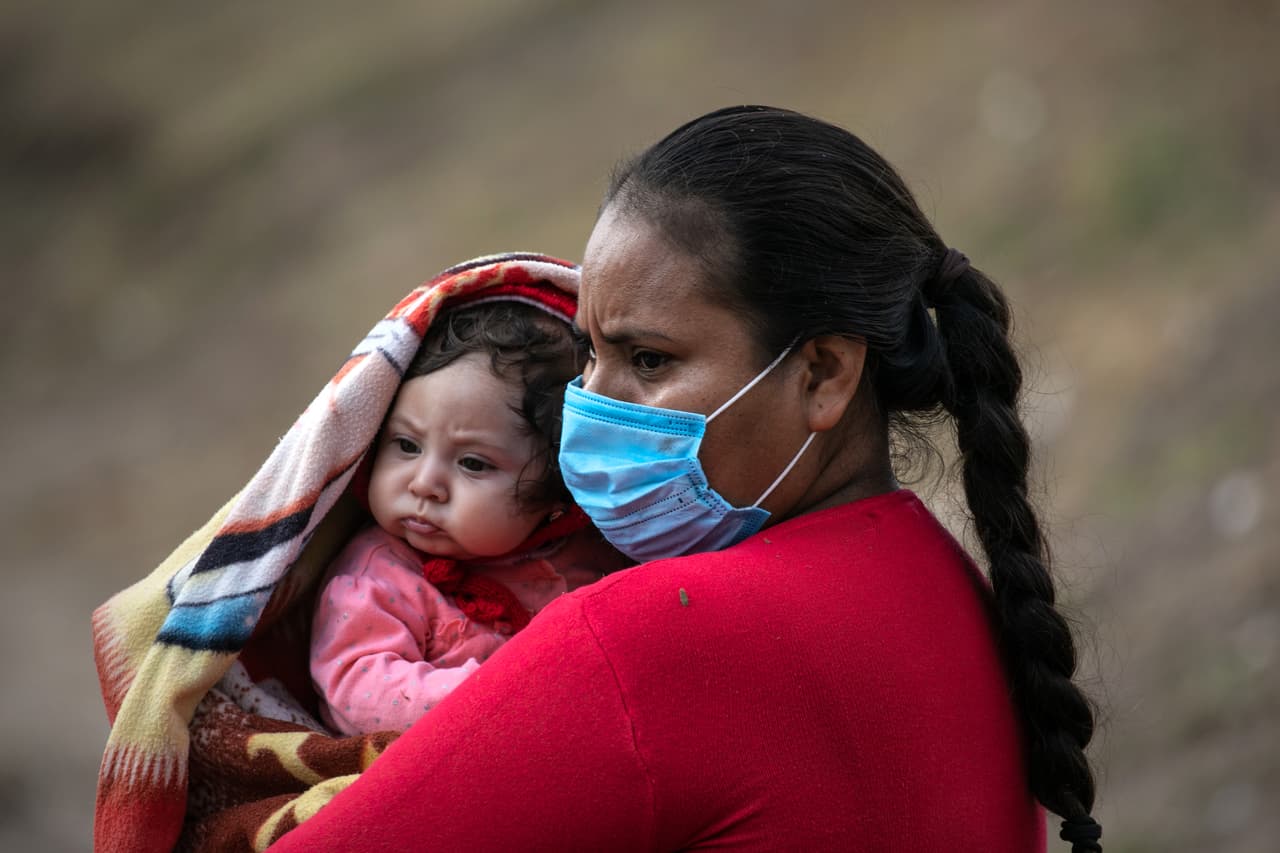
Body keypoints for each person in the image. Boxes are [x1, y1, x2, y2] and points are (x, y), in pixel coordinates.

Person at [269, 105, 1103, 852]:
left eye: (649, 359)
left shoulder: (643, 642)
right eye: (590, 353)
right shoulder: (941, 576)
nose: (589, 407)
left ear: (822, 374)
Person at [310, 296, 619, 735]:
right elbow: (357, 694)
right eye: (407, 445)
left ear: (557, 489)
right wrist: (506, 692)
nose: (424, 483)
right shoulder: (376, 576)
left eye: (473, 463)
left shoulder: (599, 550)